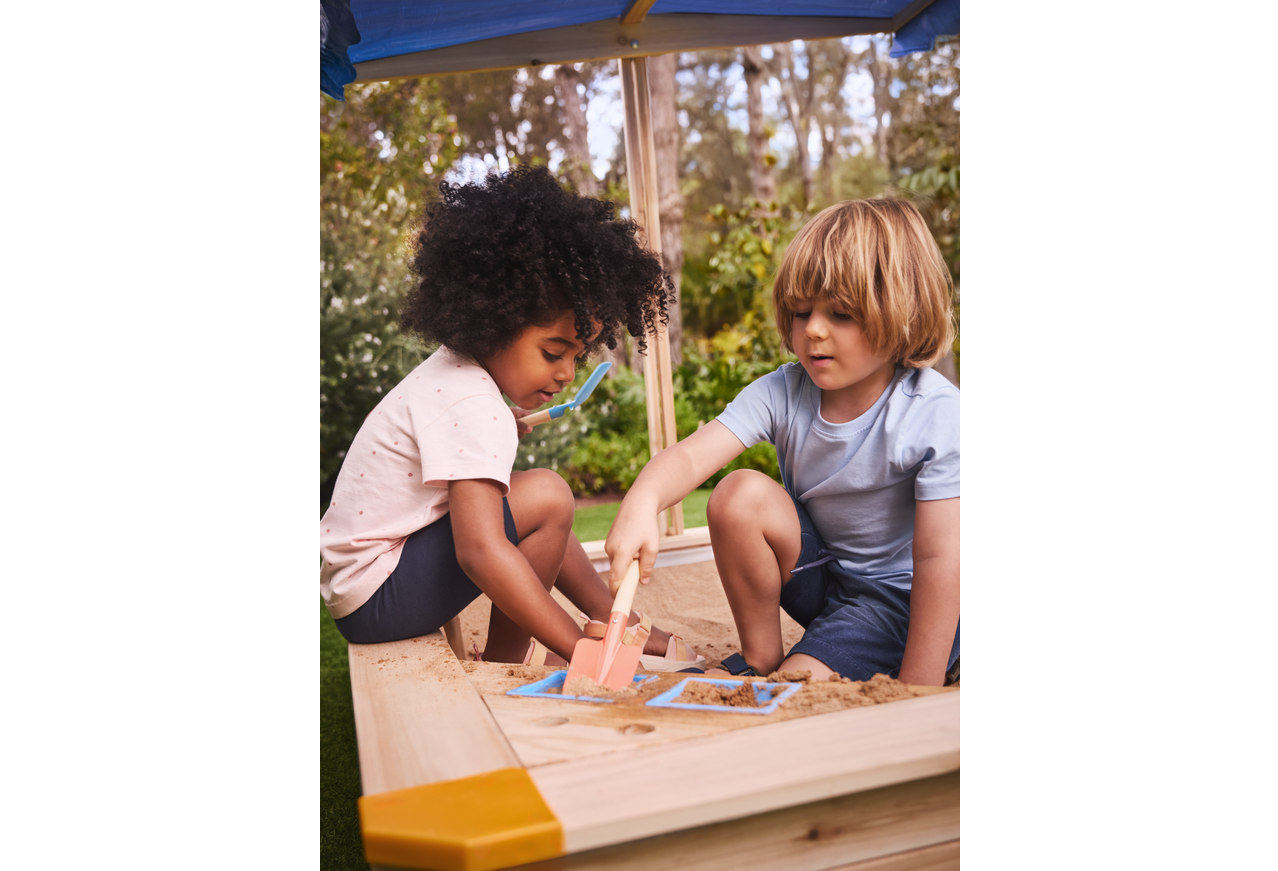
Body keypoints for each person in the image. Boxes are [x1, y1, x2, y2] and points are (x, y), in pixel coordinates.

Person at [320, 166, 702, 670]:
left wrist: (497, 426)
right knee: (546, 496)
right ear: (496, 322)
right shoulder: (472, 404)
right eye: (552, 351)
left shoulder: (457, 378)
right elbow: (478, 551)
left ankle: (612, 619)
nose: (566, 373)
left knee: (542, 513)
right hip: (377, 595)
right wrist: (573, 649)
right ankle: (510, 659)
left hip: (367, 583)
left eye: (577, 355)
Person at [604, 198, 959, 685]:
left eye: (841, 314)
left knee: (799, 683)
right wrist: (643, 501)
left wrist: (919, 687)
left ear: (903, 315)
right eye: (800, 311)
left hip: (904, 599)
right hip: (829, 579)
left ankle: (858, 657)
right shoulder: (784, 390)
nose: (813, 329)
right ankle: (760, 653)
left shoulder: (934, 413)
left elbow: (940, 560)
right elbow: (688, 458)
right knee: (738, 494)